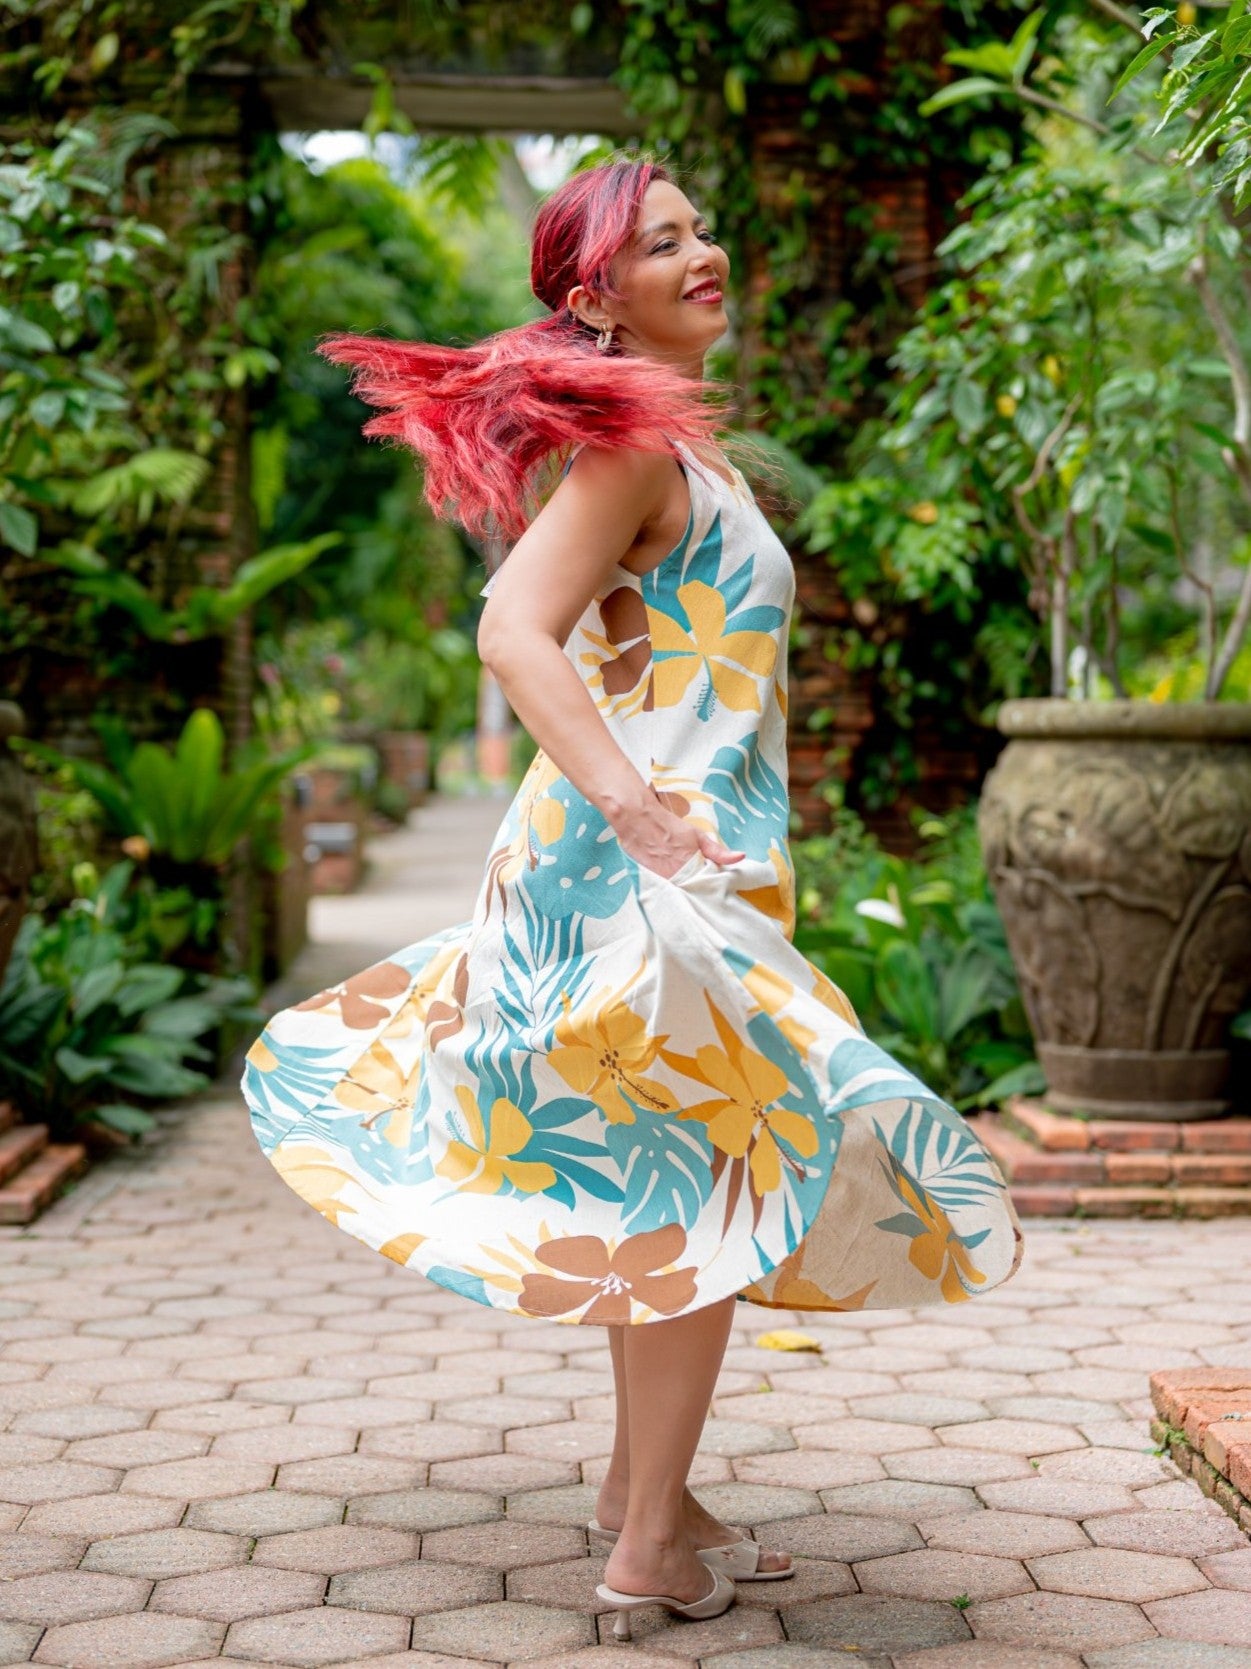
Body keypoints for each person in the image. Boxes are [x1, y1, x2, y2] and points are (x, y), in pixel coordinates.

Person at [241, 153, 1024, 1639]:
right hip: (638, 875)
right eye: (664, 245)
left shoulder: (677, 450)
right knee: (710, 1184)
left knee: (667, 1177)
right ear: (599, 298)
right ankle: (651, 1547)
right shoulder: (637, 456)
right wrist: (639, 811)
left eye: (701, 229)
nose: (704, 253)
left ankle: (636, 1494)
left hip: (671, 868)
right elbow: (510, 629)